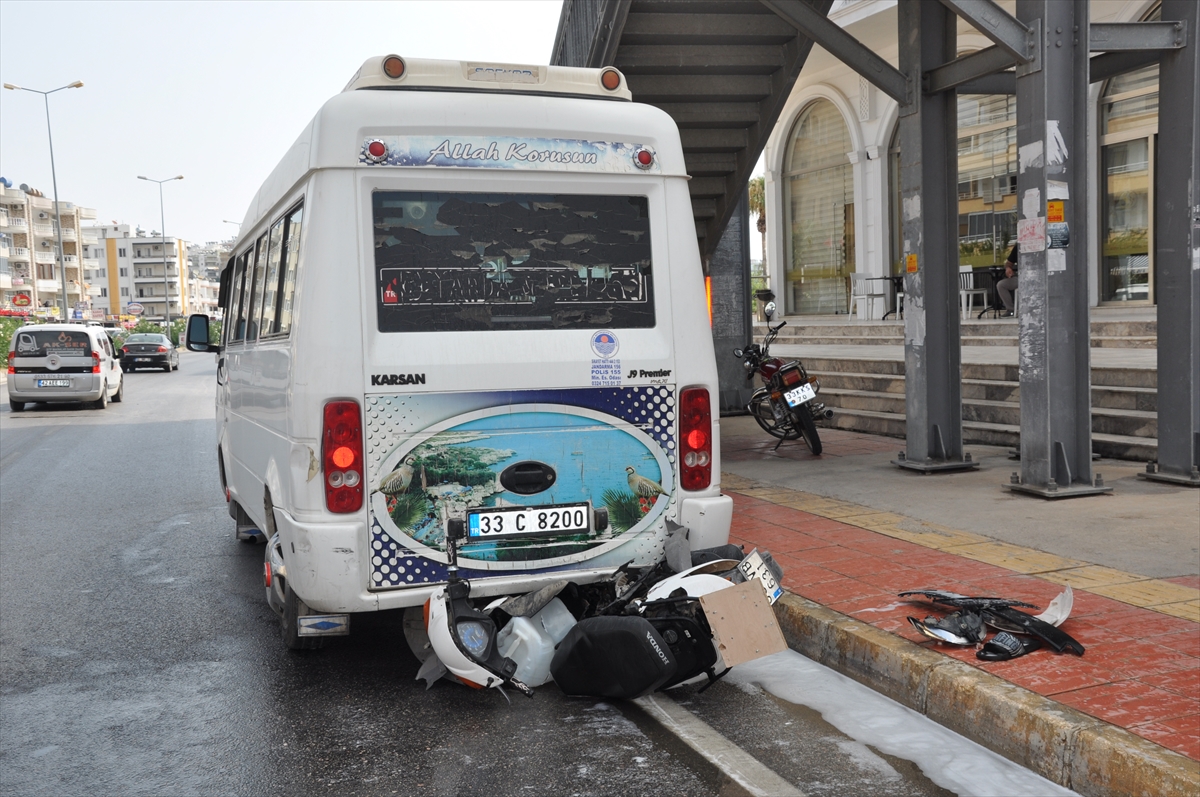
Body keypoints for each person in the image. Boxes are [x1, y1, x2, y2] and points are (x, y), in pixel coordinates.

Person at [997, 244, 1018, 316]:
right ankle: (1011, 310)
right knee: (1001, 285)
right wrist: (1008, 268)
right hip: (1021, 277)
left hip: (1040, 277)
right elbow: (1009, 263)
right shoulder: (1018, 246)